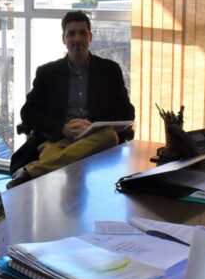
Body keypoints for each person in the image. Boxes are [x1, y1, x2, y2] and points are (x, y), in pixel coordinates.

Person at [8, 11, 135, 188]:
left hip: (93, 137)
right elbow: (28, 112)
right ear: (64, 38)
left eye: (82, 33)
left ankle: (32, 171)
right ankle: (41, 169)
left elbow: (127, 112)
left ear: (90, 37)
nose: (77, 39)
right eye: (71, 34)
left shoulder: (109, 70)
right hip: (59, 139)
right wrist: (62, 127)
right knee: (55, 155)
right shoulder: (48, 73)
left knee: (109, 136)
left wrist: (91, 125)